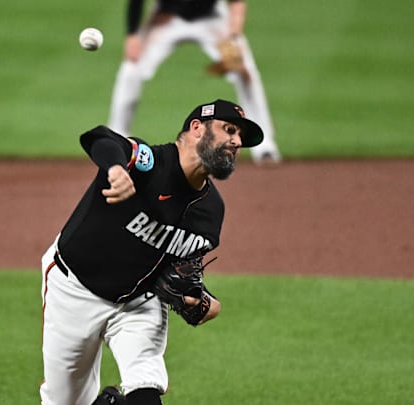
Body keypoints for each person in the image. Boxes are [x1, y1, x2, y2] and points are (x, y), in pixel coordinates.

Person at [40, 99, 264, 404]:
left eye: (240, 138)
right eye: (229, 130)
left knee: (146, 388)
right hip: (74, 289)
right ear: (197, 128)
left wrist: (201, 300)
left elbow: (181, 271)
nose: (237, 142)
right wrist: (117, 169)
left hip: (138, 302)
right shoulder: (149, 163)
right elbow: (100, 138)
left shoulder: (211, 212)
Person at [108, 0, 282, 165]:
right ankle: (117, 140)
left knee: (244, 71)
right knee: (131, 69)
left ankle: (265, 146)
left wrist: (234, 37)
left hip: (212, 19)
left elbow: (236, 2)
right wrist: (133, 35)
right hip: (166, 19)